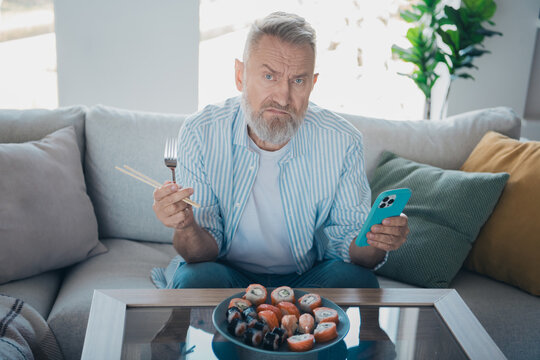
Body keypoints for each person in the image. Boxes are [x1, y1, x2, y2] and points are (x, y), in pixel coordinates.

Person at [151, 12, 409, 290]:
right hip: (227, 271)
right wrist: (186, 225)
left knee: (360, 282)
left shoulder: (343, 140)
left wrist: (378, 240)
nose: (283, 97)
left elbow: (351, 246)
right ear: (241, 76)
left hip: (307, 275)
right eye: (269, 76)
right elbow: (199, 253)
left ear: (312, 84)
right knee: (194, 280)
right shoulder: (200, 132)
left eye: (298, 80)